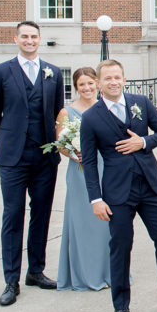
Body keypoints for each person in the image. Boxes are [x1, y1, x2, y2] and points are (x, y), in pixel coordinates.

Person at [79, 59, 157, 312]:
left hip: (151, 186)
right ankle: (121, 306)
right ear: (99, 82)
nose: (113, 82)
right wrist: (95, 199)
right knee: (121, 247)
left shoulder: (140, 102)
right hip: (117, 193)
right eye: (107, 78)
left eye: (117, 77)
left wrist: (143, 141)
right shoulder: (91, 118)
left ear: (124, 78)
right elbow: (88, 161)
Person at [0, 20, 64, 306]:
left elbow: (58, 114)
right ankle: (10, 279)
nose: (30, 41)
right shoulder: (0, 72)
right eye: (25, 36)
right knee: (13, 215)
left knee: (41, 214)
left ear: (40, 40)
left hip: (45, 157)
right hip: (13, 158)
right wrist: (9, 138)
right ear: (16, 39)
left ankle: (36, 271)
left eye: (34, 36)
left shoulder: (53, 73)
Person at [55, 67, 113, 290]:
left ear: (97, 84)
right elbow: (60, 143)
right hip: (80, 171)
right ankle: (84, 274)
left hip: (106, 167)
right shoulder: (66, 112)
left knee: (107, 224)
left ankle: (108, 271)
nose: (87, 88)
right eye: (82, 85)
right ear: (76, 87)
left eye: (90, 83)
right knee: (83, 222)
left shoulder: (106, 108)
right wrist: (74, 153)